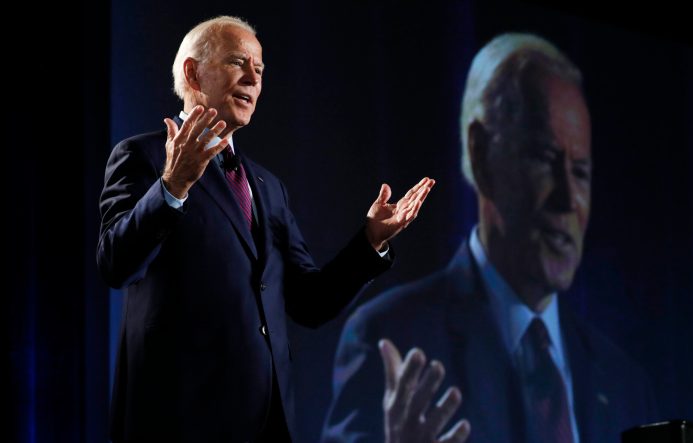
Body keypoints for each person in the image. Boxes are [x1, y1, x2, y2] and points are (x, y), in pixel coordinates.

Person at [97, 15, 434, 443]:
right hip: (178, 421)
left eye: (260, 69)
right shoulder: (142, 157)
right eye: (238, 62)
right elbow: (115, 263)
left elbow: (309, 302)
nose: (253, 78)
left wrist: (370, 243)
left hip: (267, 424)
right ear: (193, 72)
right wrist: (173, 186)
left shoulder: (267, 187)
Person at [322, 33, 657, 443]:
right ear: (480, 154)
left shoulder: (625, 384)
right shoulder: (388, 338)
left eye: (581, 172)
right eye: (544, 160)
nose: (568, 199)